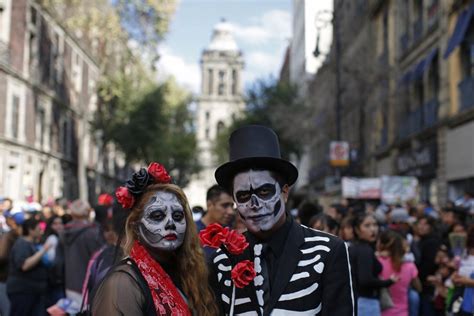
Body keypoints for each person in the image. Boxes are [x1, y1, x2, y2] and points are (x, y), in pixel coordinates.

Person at [211, 125, 355, 315]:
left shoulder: (327, 251)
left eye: (264, 191)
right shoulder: (224, 259)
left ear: (284, 192)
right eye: (244, 195)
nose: (255, 204)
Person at [92, 162, 218, 315]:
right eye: (157, 216)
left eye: (178, 216)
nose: (170, 223)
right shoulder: (122, 283)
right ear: (136, 226)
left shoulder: (189, 272)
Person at [350, 212, 397, 316]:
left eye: (375, 225)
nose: (373, 229)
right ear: (357, 230)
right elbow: (365, 280)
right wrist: (388, 282)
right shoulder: (365, 250)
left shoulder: (355, 247)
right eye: (367, 225)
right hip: (366, 303)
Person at [60, 199, 104, 306]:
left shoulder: (63, 231)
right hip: (88, 285)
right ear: (88, 212)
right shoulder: (93, 233)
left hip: (70, 283)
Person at [6, 218, 51, 316]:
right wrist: (44, 250)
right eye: (39, 229)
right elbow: (24, 265)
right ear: (31, 230)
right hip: (23, 291)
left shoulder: (32, 244)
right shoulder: (21, 244)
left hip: (33, 291)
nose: (41, 231)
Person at [377, 230, 421, 316]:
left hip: (381, 311)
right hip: (403, 312)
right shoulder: (410, 265)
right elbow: (418, 287)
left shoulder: (378, 262)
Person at [195, 185, 234, 261]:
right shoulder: (192, 231)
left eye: (232, 206)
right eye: (225, 205)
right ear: (209, 205)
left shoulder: (230, 233)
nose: (231, 211)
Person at [42, 215, 66, 309]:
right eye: (55, 224)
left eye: (60, 223)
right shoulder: (52, 239)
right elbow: (52, 259)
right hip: (55, 281)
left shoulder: (60, 238)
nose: (59, 226)